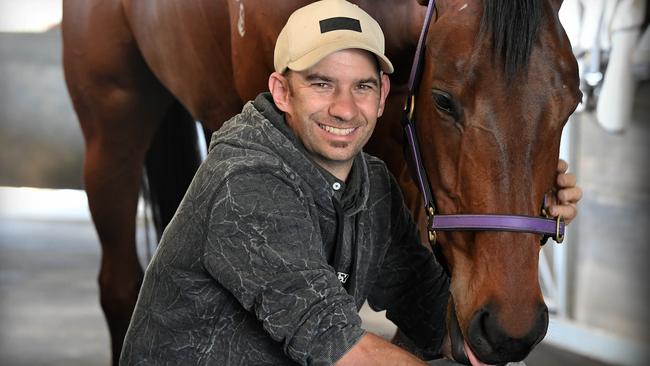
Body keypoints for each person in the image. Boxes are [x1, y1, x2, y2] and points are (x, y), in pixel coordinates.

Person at [120, 0, 582, 365]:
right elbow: (341, 350)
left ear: (384, 96)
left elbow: (432, 312)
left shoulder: (371, 187)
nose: (343, 109)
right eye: (321, 84)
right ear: (282, 91)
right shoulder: (244, 180)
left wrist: (523, 207)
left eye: (361, 86)